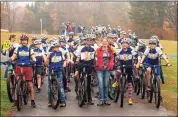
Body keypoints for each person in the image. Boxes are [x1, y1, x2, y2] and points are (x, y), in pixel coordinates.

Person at [9, 34, 36, 108]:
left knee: (30, 85)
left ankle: (32, 101)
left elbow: (33, 57)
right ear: (21, 41)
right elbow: (14, 56)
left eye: (25, 40)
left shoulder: (30, 48)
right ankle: (16, 100)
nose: (24, 41)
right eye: (22, 40)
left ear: (27, 41)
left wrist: (34, 60)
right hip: (19, 67)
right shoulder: (18, 48)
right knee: (16, 83)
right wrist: (11, 59)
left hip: (28, 68)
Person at [116, 38, 139, 105]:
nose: (124, 45)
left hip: (129, 67)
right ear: (121, 44)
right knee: (117, 72)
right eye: (123, 43)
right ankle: (117, 82)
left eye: (126, 43)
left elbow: (137, 57)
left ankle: (129, 98)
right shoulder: (119, 51)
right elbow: (115, 58)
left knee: (129, 83)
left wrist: (136, 63)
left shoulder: (131, 51)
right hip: (121, 66)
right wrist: (115, 63)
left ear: (128, 44)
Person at [74, 34, 95, 105]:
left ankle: (89, 98)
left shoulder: (94, 48)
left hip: (90, 66)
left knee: (88, 83)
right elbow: (77, 57)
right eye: (87, 40)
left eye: (90, 40)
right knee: (78, 77)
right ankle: (78, 89)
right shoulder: (80, 48)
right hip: (82, 65)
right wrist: (76, 62)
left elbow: (96, 56)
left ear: (92, 41)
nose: (89, 41)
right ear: (85, 41)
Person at [45, 40, 66, 107]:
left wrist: (65, 63)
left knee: (61, 86)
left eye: (57, 47)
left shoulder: (61, 53)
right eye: (55, 47)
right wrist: (47, 58)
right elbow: (46, 64)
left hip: (59, 70)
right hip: (52, 71)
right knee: (50, 86)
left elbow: (64, 60)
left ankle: (62, 101)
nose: (56, 49)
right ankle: (50, 101)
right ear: (52, 48)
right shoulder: (50, 54)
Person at [95, 37, 114, 106]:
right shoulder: (98, 50)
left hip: (107, 69)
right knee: (101, 85)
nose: (104, 43)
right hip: (99, 69)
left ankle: (106, 99)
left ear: (107, 43)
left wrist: (111, 65)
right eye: (103, 41)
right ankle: (101, 100)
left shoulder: (111, 50)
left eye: (106, 41)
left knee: (106, 85)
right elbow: (95, 57)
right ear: (101, 42)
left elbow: (112, 59)